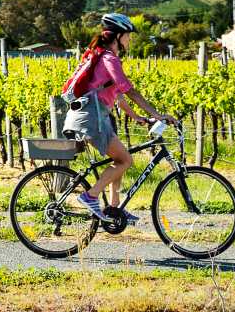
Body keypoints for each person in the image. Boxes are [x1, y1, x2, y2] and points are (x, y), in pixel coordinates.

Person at [60, 13, 173, 224]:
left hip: (93, 115)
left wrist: (138, 117)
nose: (130, 39)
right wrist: (157, 115)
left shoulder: (104, 58)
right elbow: (129, 90)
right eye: (128, 35)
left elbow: (119, 98)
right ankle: (90, 196)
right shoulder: (109, 59)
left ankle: (114, 208)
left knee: (119, 159)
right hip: (91, 117)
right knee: (125, 160)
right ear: (118, 36)